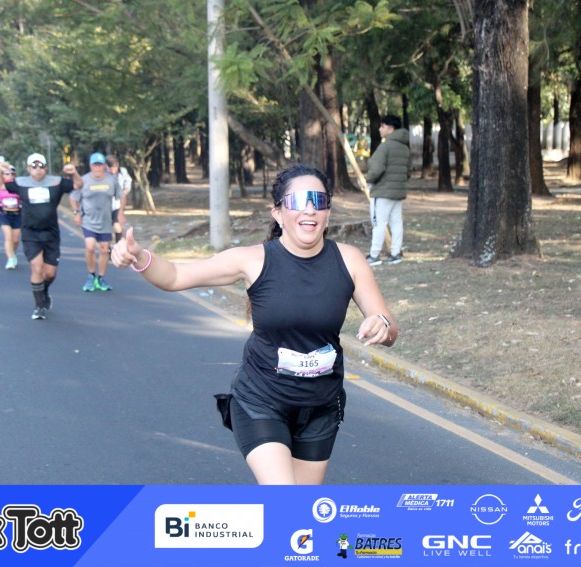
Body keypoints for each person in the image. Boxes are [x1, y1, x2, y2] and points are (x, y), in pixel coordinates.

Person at [111, 163, 398, 484]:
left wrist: (381, 323)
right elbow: (176, 276)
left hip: (320, 406)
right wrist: (140, 257)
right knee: (284, 499)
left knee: (301, 509)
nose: (309, 209)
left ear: (327, 213)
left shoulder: (349, 259)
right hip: (262, 401)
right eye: (298, 201)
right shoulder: (252, 260)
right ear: (278, 213)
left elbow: (389, 327)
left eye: (318, 200)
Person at [0, 153, 83, 320]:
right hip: (31, 232)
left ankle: (44, 290)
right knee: (37, 267)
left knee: (49, 273)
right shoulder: (21, 183)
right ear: (28, 168)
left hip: (51, 233)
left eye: (41, 166)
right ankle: (39, 306)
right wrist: (0, 171)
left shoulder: (55, 182)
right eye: (34, 166)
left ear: (46, 168)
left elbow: (78, 185)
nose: (37, 169)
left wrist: (74, 172)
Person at [70, 152, 123, 292]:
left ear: (104, 166)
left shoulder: (111, 180)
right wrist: (76, 213)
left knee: (105, 250)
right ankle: (91, 275)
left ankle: (101, 278)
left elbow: (121, 196)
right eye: (95, 165)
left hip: (105, 221)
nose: (97, 168)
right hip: (89, 220)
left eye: (100, 165)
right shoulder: (83, 180)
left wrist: (121, 213)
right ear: (90, 166)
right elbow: (73, 197)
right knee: (90, 247)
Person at [365, 114, 411, 266]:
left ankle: (374, 255)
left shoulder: (385, 146)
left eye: (382, 126)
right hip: (398, 193)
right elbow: (408, 171)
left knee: (379, 223)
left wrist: (369, 180)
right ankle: (395, 254)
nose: (380, 129)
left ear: (390, 129)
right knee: (396, 223)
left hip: (382, 192)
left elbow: (376, 168)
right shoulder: (405, 148)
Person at [0, 165, 22, 270]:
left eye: (12, 173)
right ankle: (10, 259)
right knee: (8, 236)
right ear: (3, 175)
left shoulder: (17, 185)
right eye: (7, 173)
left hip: (17, 214)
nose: (10, 175)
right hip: (4, 214)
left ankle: (13, 254)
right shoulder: (0, 185)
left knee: (15, 240)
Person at [106, 154, 132, 243]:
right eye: (110, 168)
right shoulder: (103, 173)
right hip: (105, 204)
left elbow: (128, 182)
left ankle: (118, 244)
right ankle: (107, 247)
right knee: (106, 227)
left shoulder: (123, 171)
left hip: (117, 203)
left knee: (117, 225)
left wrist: (125, 191)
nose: (113, 170)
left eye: (114, 167)